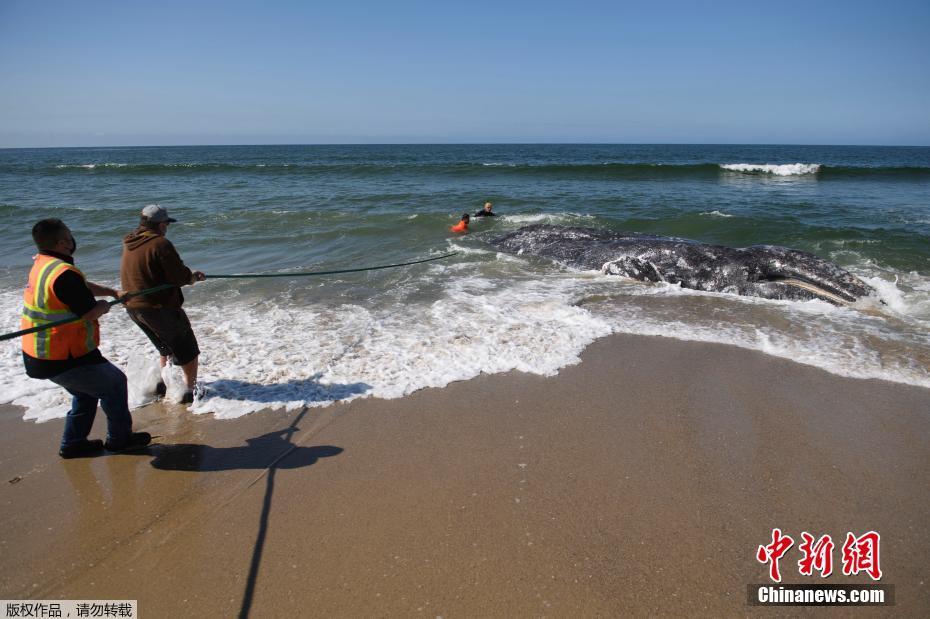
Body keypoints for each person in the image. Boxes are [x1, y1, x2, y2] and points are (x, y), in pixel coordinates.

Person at [21, 219, 151, 458]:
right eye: (69, 236)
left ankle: (73, 444)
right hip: (61, 355)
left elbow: (78, 287)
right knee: (114, 383)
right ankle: (120, 441)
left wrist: (112, 292)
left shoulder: (44, 263)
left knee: (86, 393)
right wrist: (103, 305)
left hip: (42, 353)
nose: (73, 239)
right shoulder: (63, 273)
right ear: (62, 243)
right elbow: (89, 311)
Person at [121, 204, 206, 404]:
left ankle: (161, 385)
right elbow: (179, 276)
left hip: (133, 308)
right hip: (157, 308)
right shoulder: (160, 244)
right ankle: (189, 391)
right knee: (188, 350)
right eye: (166, 224)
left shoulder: (129, 241)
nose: (167, 227)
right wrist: (193, 277)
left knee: (165, 347)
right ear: (160, 225)